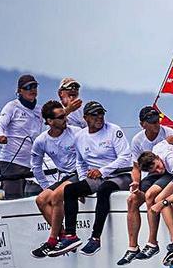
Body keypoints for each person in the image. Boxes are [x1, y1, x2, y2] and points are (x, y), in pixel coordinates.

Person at [49, 101, 133, 256]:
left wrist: (102, 171)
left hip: (120, 174)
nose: (99, 117)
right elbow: (79, 162)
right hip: (96, 177)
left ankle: (95, 238)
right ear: (86, 118)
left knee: (104, 189)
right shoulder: (80, 136)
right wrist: (82, 179)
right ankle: (70, 236)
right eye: (95, 114)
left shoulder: (114, 130)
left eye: (101, 113)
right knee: (70, 190)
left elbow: (125, 157)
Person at [116, 107, 173, 265]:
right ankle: (132, 247)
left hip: (169, 171)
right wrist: (136, 182)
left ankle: (152, 242)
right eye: (151, 122)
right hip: (153, 173)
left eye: (157, 120)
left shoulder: (169, 133)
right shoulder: (138, 140)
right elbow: (136, 167)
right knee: (132, 200)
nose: (156, 124)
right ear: (143, 124)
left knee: (151, 195)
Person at [118, 142, 173, 266]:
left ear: (157, 158)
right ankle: (137, 246)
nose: (159, 170)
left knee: (157, 199)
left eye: (158, 166)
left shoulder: (172, 161)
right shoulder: (157, 148)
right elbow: (169, 139)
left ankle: (167, 241)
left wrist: (164, 202)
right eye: (155, 170)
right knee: (140, 199)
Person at [29, 100, 82, 257]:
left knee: (55, 196)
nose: (65, 119)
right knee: (41, 200)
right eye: (60, 117)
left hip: (79, 173)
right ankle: (63, 236)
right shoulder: (41, 141)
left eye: (65, 115)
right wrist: (46, 186)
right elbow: (36, 166)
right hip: (65, 176)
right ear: (49, 121)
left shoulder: (76, 132)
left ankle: (53, 240)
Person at [0, 74, 46, 199]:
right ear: (20, 91)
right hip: (11, 163)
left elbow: (54, 120)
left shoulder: (39, 111)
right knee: (14, 199)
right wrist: (1, 135)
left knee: (33, 198)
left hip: (32, 164)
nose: (32, 90)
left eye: (34, 86)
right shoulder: (12, 106)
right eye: (28, 87)